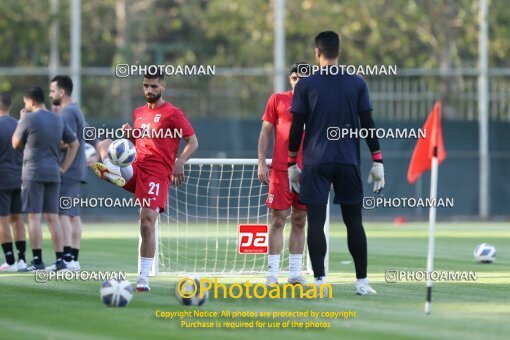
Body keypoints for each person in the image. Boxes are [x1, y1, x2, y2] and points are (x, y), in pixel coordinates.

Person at [288, 31, 384, 295]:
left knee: (316, 222)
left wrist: (291, 164)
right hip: (348, 160)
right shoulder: (356, 82)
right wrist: (378, 161)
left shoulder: (306, 85)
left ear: (317, 53)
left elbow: (297, 127)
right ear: (338, 52)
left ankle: (319, 281)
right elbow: (368, 124)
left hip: (316, 162)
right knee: (354, 222)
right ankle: (362, 283)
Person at [93, 72, 198, 291]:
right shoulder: (139, 113)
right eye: (145, 86)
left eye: (153, 86)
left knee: (147, 222)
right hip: (136, 166)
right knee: (105, 143)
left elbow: (193, 142)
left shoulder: (173, 114)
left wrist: (180, 161)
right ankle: (110, 171)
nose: (149, 90)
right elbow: (141, 141)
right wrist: (131, 135)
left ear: (163, 87)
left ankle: (143, 279)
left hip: (157, 173)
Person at [13, 87, 79, 272]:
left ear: (31, 102)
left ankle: (37, 261)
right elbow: (74, 144)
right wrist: (64, 167)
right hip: (53, 173)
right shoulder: (57, 118)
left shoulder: (28, 118)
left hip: (33, 173)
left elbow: (15, 143)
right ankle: (60, 261)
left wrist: (21, 120)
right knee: (53, 217)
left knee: (34, 217)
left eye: (26, 103)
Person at [258, 63, 307, 286]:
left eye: (303, 78)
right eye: (295, 78)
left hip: (308, 171)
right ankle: (272, 273)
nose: (299, 81)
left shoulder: (318, 102)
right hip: (281, 170)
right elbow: (265, 132)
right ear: (290, 79)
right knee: (278, 220)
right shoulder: (277, 99)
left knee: (300, 220)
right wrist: (261, 162)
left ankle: (295, 273)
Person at [49, 75, 94, 271]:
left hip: (67, 170)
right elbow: (91, 136)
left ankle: (66, 259)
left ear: (61, 92)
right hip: (78, 170)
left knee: (63, 215)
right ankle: (73, 259)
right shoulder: (76, 110)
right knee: (73, 215)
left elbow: (65, 142)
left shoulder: (68, 113)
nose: (50, 94)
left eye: (52, 91)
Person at [0, 93, 27, 272]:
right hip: (20, 176)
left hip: (2, 177)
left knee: (3, 220)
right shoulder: (19, 124)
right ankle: (22, 260)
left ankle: (9, 261)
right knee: (18, 219)